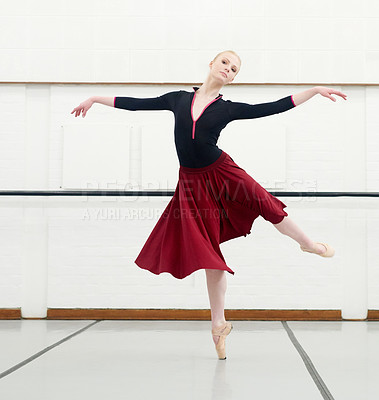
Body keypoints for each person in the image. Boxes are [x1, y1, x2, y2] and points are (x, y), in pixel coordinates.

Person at [71, 50, 347, 360]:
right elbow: (136, 104)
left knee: (266, 202)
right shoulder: (177, 99)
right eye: (225, 63)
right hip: (191, 184)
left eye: (234, 69)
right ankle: (218, 325)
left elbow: (272, 107)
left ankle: (308, 243)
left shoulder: (227, 109)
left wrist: (313, 91)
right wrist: (94, 98)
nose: (229, 69)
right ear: (212, 64)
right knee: (209, 252)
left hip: (222, 172)